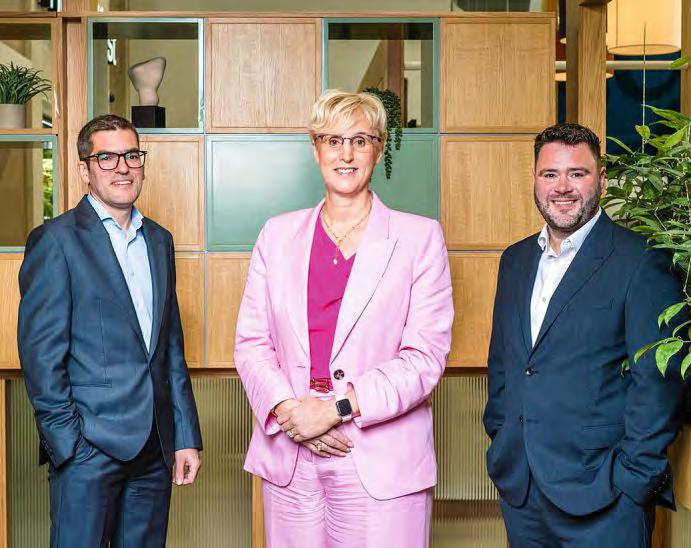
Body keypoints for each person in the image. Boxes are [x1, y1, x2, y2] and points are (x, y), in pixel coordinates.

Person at [234, 89, 454, 547]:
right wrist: (292, 414)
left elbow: (424, 358)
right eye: (333, 140)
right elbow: (252, 343)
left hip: (378, 458)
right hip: (291, 452)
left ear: (379, 148)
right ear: (316, 149)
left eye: (360, 140)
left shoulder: (419, 239)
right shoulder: (276, 236)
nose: (346, 154)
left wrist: (335, 410)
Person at [483, 122, 685, 546]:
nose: (562, 187)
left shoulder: (643, 259)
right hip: (523, 492)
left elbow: (657, 380)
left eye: (577, 173)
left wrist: (633, 479)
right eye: (550, 174)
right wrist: (501, 437)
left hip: (606, 497)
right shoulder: (514, 261)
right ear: (535, 179)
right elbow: (504, 363)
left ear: (602, 179)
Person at [17, 114, 203, 547]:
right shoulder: (56, 241)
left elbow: (169, 348)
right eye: (107, 157)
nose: (123, 167)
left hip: (154, 450)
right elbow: (41, 358)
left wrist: (184, 436)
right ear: (85, 169)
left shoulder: (159, 240)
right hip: (88, 449)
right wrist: (68, 445)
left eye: (132, 156)